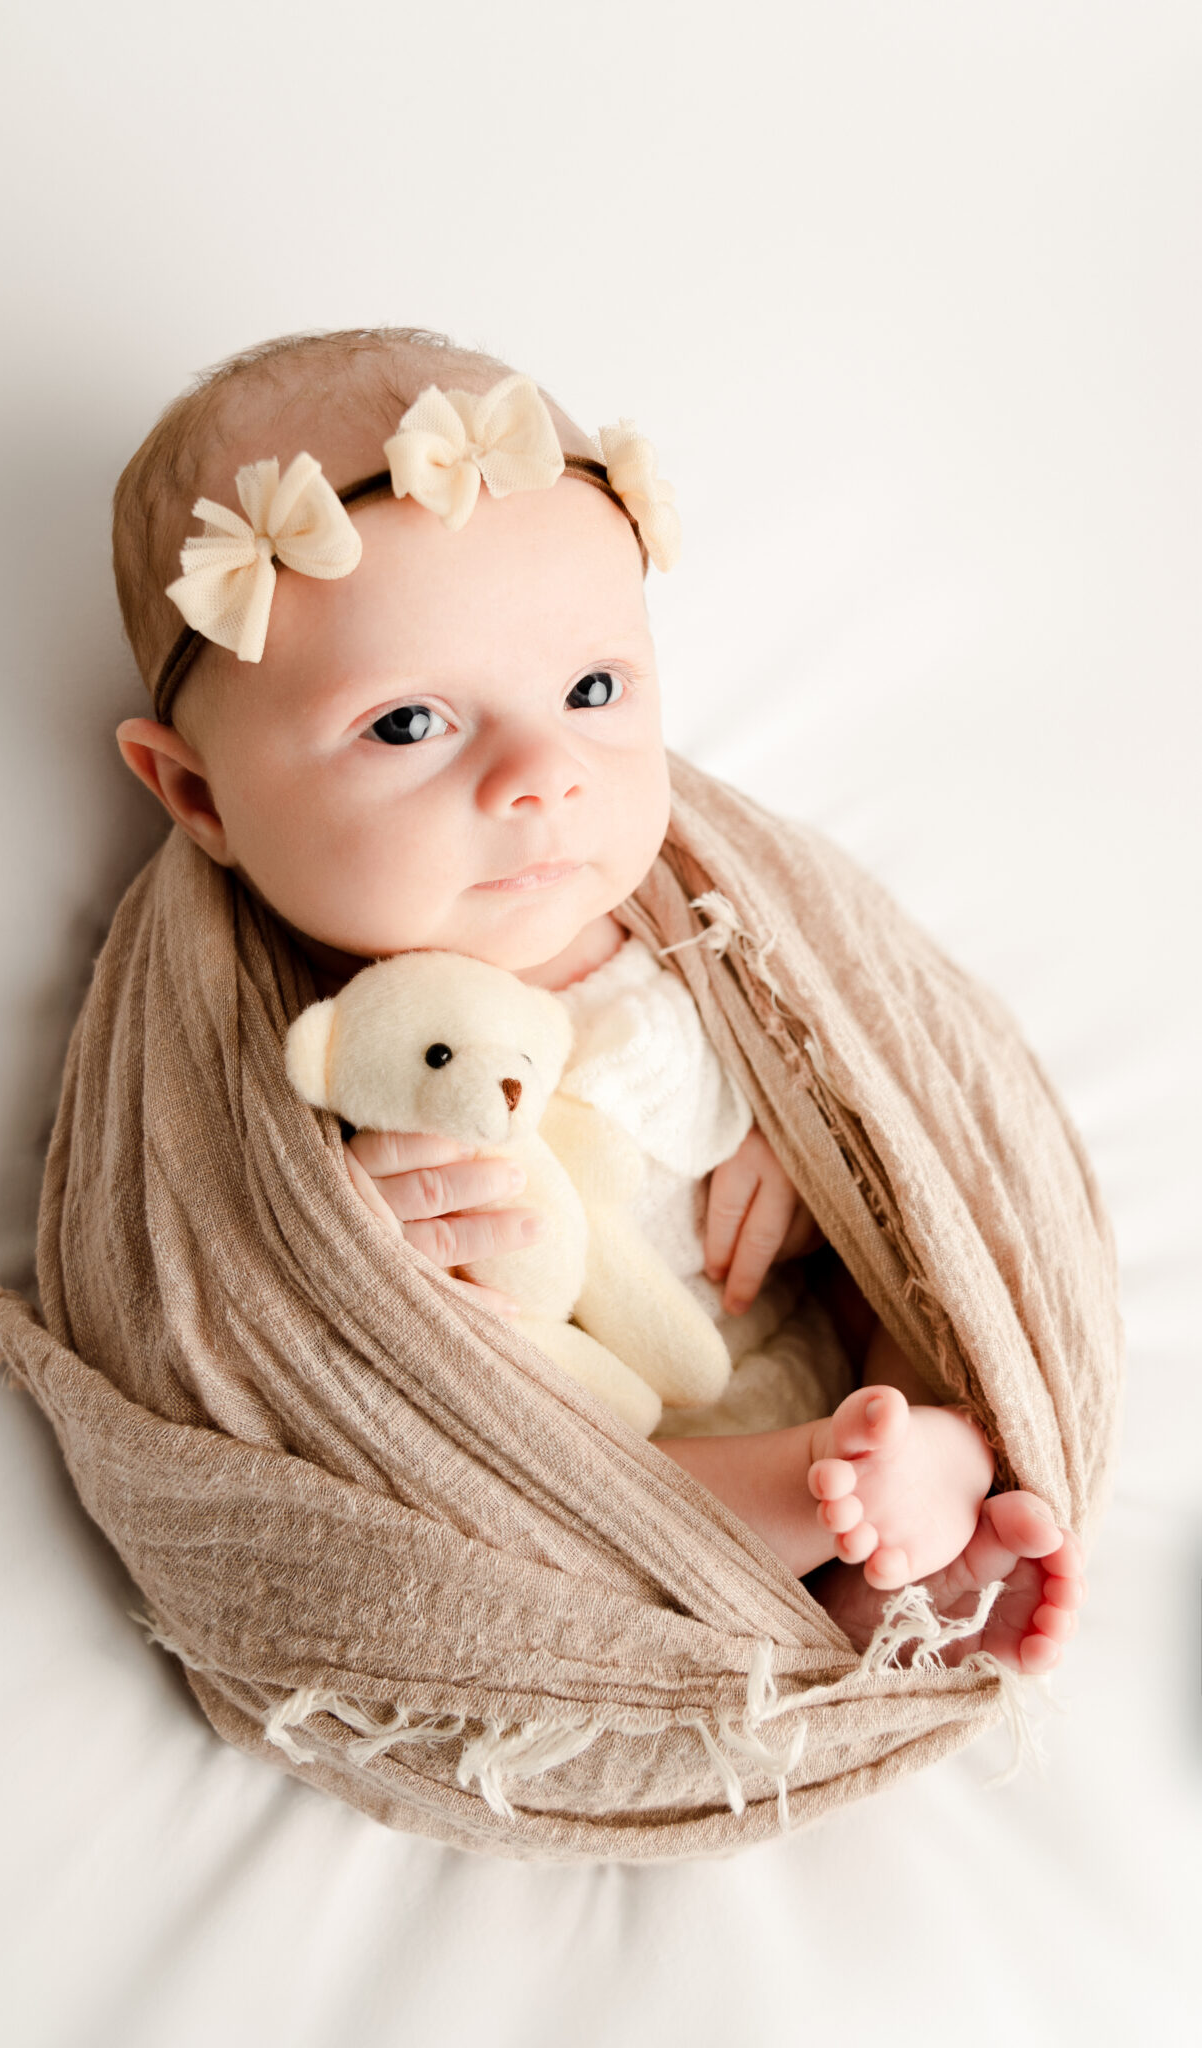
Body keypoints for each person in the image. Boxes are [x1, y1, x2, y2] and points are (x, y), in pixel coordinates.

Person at [112, 325, 1083, 1672]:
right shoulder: (300, 1038)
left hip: (790, 1325)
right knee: (569, 1500)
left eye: (591, 690)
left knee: (919, 1351)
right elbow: (258, 1301)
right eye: (407, 725)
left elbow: (860, 1051)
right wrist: (386, 1247)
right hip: (615, 1445)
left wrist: (795, 1146)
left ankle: (923, 1501)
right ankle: (826, 1508)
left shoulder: (698, 903)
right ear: (201, 796)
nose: (542, 775)